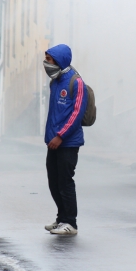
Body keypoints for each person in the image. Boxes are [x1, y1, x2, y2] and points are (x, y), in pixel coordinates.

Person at [42, 44, 88, 236]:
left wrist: (61, 136)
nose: (45, 63)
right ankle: (61, 218)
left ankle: (71, 223)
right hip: (53, 142)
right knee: (53, 181)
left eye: (49, 59)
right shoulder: (55, 82)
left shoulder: (76, 83)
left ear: (59, 60)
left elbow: (77, 113)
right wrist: (50, 137)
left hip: (67, 142)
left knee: (65, 181)